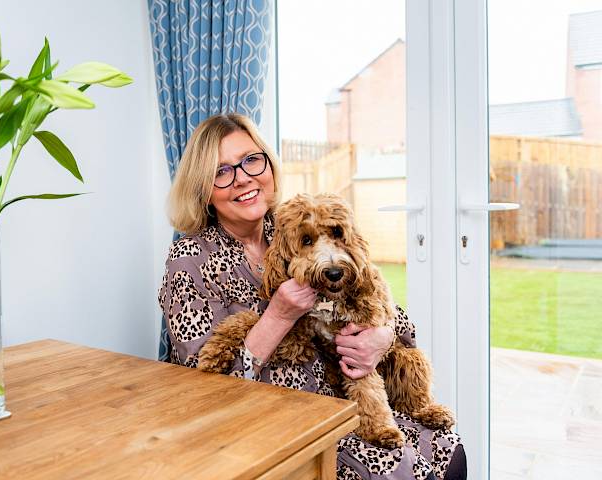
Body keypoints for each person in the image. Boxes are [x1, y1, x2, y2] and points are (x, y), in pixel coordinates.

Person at [158, 113, 466, 480]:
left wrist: (381, 337)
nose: (242, 178)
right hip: (273, 416)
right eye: (221, 171)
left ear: (268, 164)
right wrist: (278, 316)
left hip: (339, 397)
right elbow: (203, 387)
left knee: (449, 449)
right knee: (396, 469)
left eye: (251, 160)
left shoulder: (293, 225)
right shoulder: (190, 260)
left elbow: (384, 307)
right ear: (202, 188)